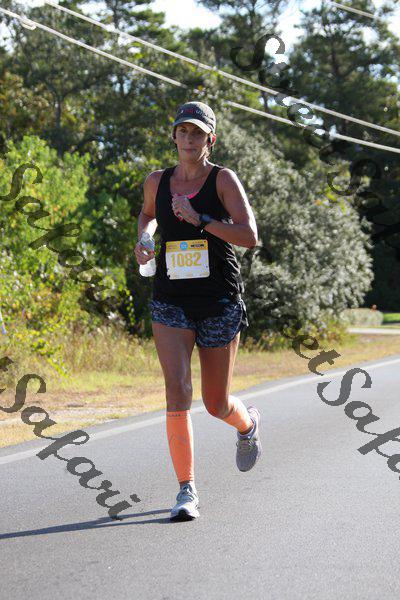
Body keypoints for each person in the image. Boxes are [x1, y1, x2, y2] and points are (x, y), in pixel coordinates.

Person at [134, 100, 262, 522]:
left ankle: (247, 425)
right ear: (174, 137)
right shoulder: (157, 181)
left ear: (211, 140)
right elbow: (147, 216)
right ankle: (186, 489)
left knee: (215, 402)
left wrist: (200, 219)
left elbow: (249, 236)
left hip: (218, 301)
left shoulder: (222, 179)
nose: (189, 139)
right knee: (177, 390)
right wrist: (145, 238)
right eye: (183, 131)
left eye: (198, 133)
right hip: (171, 298)